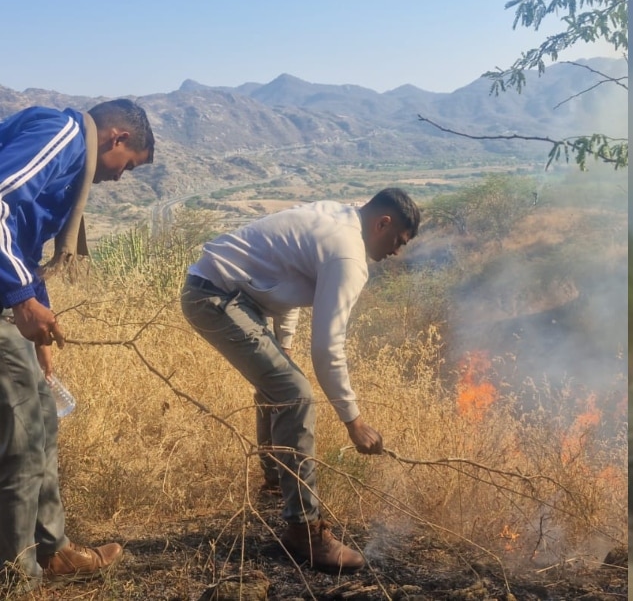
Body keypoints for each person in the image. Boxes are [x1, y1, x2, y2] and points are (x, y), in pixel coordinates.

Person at [179, 188, 420, 573]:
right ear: (383, 223)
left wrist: (284, 344)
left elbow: (285, 276)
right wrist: (353, 421)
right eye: (398, 241)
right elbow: (327, 347)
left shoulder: (337, 218)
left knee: (281, 382)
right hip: (217, 297)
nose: (396, 251)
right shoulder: (348, 254)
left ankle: (276, 484)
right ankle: (304, 529)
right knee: (295, 392)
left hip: (224, 291)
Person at [0, 99, 156, 594]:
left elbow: (21, 242)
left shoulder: (72, 151)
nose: (120, 177)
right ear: (115, 138)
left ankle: (53, 550)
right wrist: (23, 300)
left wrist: (38, 319)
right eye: (128, 165)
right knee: (22, 440)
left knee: (42, 415)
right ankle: (17, 576)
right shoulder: (65, 137)